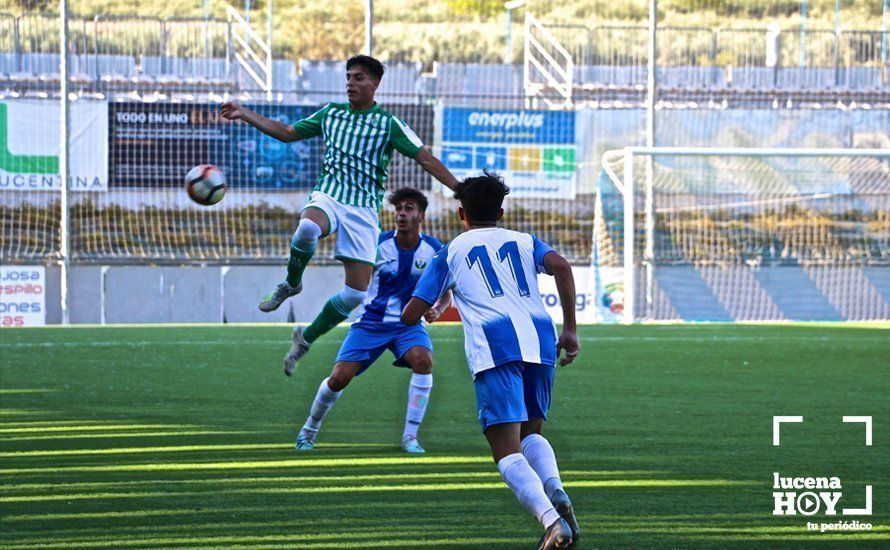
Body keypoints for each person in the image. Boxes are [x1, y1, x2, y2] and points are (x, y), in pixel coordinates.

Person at [220, 55, 458, 374]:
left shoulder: (388, 124)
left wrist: (460, 188)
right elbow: (288, 132)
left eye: (359, 77)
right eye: (348, 77)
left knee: (355, 294)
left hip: (362, 210)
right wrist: (244, 113)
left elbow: (425, 158)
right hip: (330, 195)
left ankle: (304, 339)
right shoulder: (331, 113)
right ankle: (291, 284)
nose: (350, 83)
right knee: (306, 229)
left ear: (375, 84)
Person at [401, 171, 581, 550]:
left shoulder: (450, 251)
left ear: (461, 215)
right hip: (539, 341)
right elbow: (562, 267)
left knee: (506, 450)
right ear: (500, 212)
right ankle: (557, 493)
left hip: (495, 348)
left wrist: (423, 307)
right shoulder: (524, 240)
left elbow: (410, 314)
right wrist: (571, 330)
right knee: (532, 434)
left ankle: (552, 522)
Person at [294, 188, 453, 454]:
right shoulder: (376, 244)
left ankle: (410, 438)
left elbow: (447, 293)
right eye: (398, 208)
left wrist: (438, 309)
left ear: (421, 215)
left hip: (408, 325)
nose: (401, 214)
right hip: (371, 323)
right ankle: (309, 430)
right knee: (339, 378)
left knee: (423, 360)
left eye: (409, 208)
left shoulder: (434, 249)